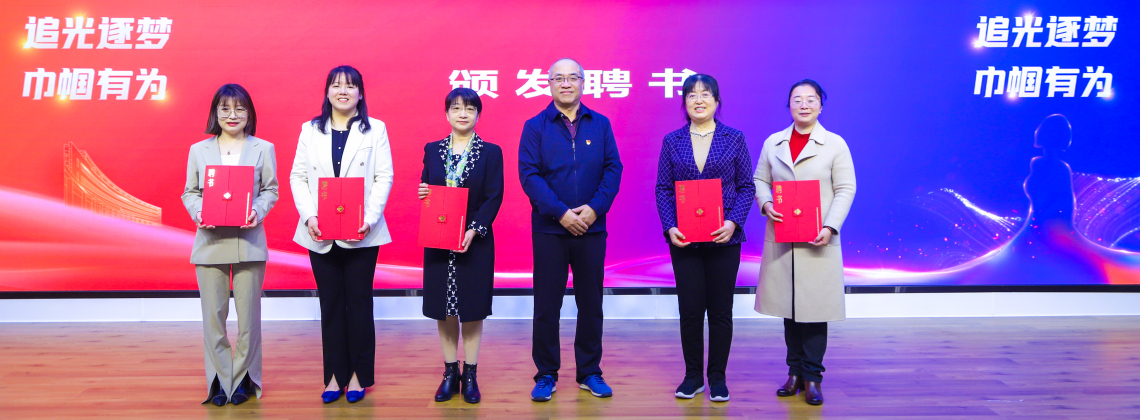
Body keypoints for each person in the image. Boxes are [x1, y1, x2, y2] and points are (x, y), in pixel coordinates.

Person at [519, 58, 623, 402]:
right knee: (547, 305)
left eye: (572, 78)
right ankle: (546, 373)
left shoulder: (601, 124)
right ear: (549, 84)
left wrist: (594, 209)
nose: (566, 83)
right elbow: (529, 175)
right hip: (550, 230)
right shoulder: (535, 126)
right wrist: (561, 213)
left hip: (592, 229)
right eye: (559, 78)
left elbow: (613, 169)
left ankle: (590, 372)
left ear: (583, 83)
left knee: (591, 303)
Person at [289, 65, 394, 404]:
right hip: (320, 231)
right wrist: (309, 216)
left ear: (360, 94)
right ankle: (334, 375)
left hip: (362, 231)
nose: (343, 91)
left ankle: (358, 375)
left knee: (359, 303)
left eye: (350, 86)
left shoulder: (375, 129)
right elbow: (298, 176)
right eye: (336, 85)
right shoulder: (309, 130)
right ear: (327, 92)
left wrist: (369, 218)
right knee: (331, 304)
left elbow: (383, 177)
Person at [753, 79, 856, 406]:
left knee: (815, 310)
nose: (804, 105)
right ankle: (794, 373)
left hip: (818, 240)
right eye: (797, 99)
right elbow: (759, 180)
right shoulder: (774, 142)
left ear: (821, 106)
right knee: (789, 309)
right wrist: (766, 203)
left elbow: (846, 188)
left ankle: (812, 378)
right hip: (783, 238)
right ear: (789, 106)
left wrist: (830, 226)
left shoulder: (835, 144)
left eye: (811, 99)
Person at [654, 74, 754, 402]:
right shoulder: (672, 140)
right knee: (691, 311)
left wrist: (733, 222)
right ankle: (693, 376)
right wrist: (670, 227)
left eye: (705, 94)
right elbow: (663, 189)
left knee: (721, 311)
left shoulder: (734, 138)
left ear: (716, 100)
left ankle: (718, 377)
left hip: (724, 239)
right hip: (685, 240)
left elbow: (746, 187)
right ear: (684, 102)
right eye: (691, 95)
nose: (698, 100)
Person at [181, 84, 279, 406]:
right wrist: (199, 213)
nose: (232, 115)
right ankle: (220, 381)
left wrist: (257, 211)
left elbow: (271, 190)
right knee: (214, 319)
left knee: (249, 320)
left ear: (249, 113)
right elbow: (191, 192)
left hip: (249, 241)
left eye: (239, 108)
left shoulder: (263, 148)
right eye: (225, 108)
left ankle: (242, 379)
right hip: (210, 242)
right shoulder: (199, 150)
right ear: (215, 113)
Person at [418, 88, 504, 404]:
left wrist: (475, 229)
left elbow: (494, 196)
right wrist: (423, 192)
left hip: (474, 241)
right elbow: (428, 186)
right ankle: (449, 372)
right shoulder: (432, 149)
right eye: (455, 108)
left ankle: (471, 374)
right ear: (447, 114)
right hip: (438, 238)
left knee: (471, 308)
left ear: (478, 114)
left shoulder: (491, 152)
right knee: (443, 309)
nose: (463, 113)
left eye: (469, 108)